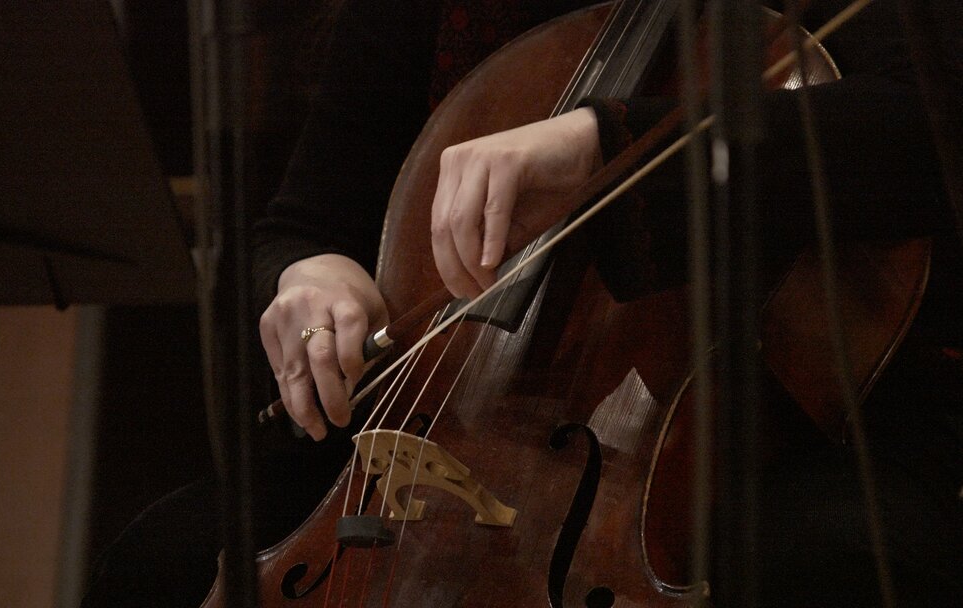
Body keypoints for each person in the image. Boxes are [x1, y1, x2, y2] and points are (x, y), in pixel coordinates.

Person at [84, 1, 963, 606]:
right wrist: (312, 276)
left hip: (755, 437)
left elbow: (925, 126)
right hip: (448, 416)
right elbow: (300, 219)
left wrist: (597, 145)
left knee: (832, 568)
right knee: (167, 563)